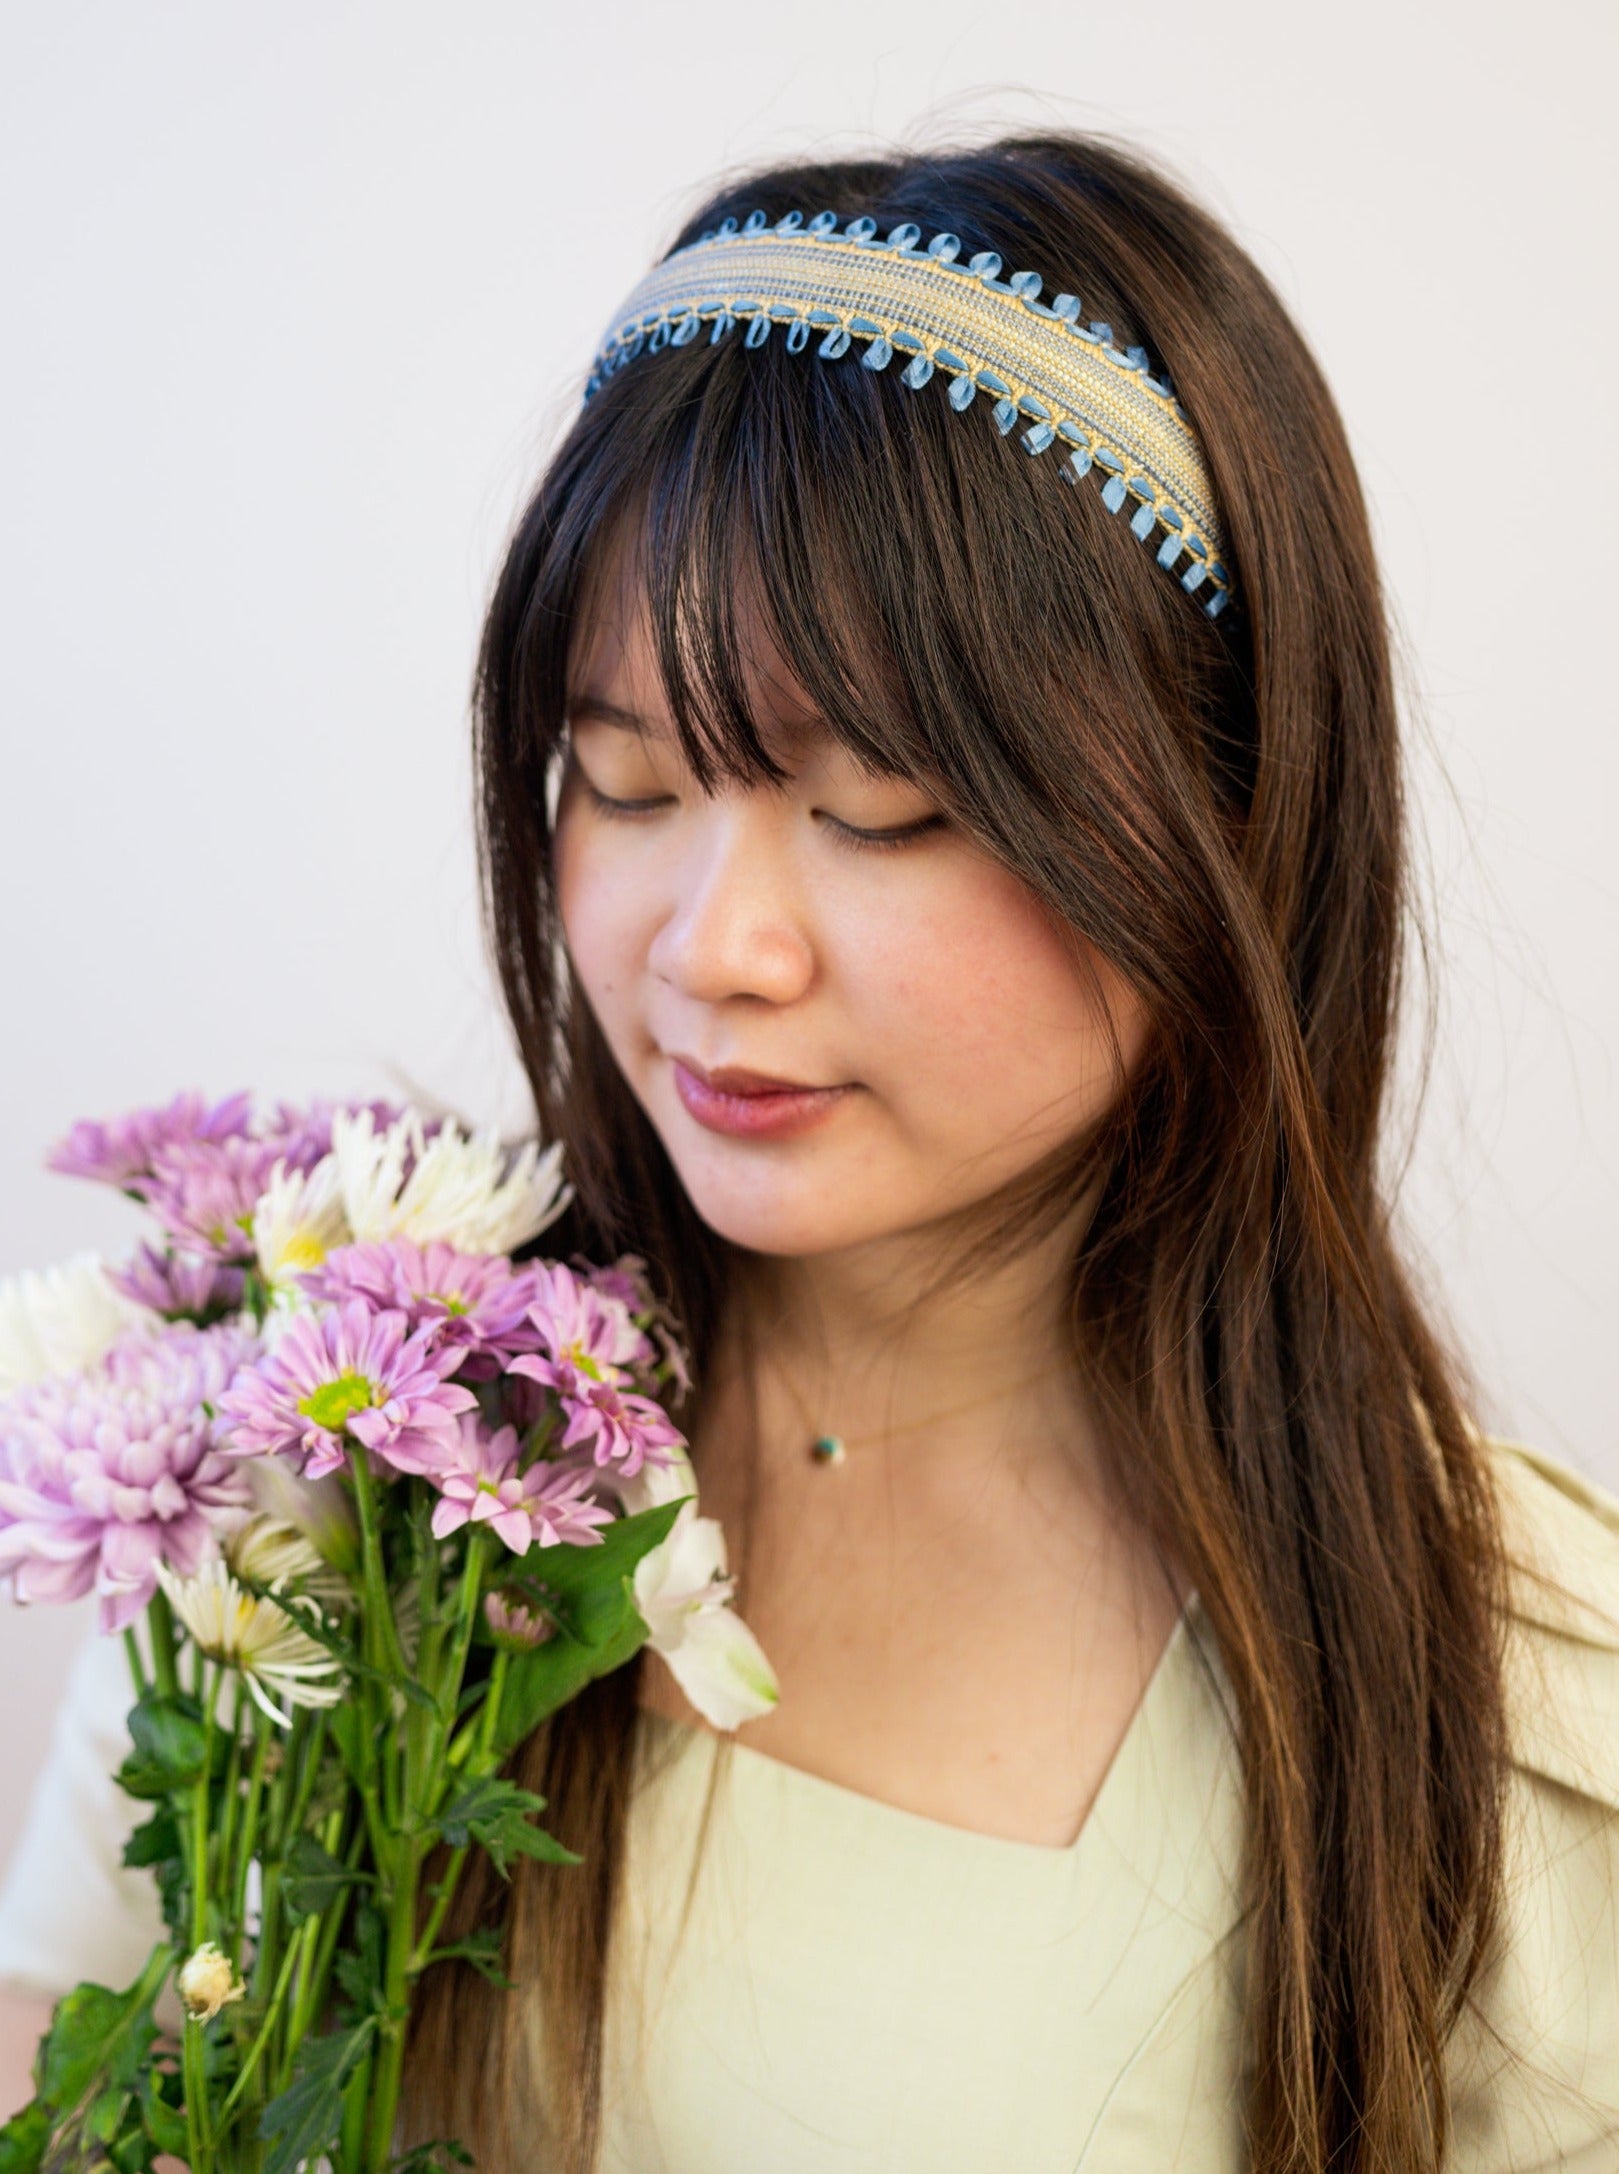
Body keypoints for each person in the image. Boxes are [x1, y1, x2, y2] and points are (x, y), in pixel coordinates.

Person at [2, 129, 1617, 2173]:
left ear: (1233, 825)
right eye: (622, 780)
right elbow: (66, 2053)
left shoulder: (1498, 1708)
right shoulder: (354, 1448)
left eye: (881, 812)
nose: (713, 951)